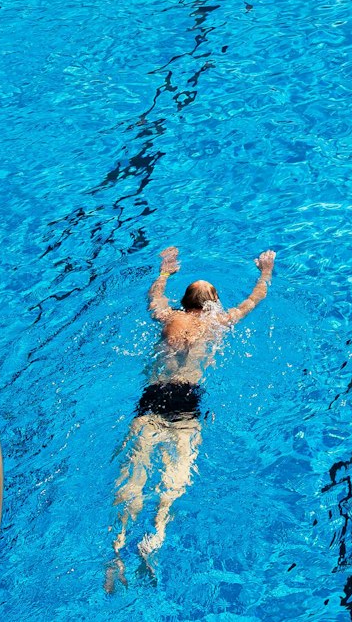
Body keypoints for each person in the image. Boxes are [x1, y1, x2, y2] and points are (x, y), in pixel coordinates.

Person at [106, 245, 277, 589]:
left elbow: (154, 295)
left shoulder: (168, 317)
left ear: (184, 302)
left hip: (153, 398)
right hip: (187, 402)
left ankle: (117, 546)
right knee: (177, 470)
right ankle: (157, 533)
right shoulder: (219, 321)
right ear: (212, 304)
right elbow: (255, 299)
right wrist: (265, 270)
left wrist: (165, 271)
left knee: (134, 470)